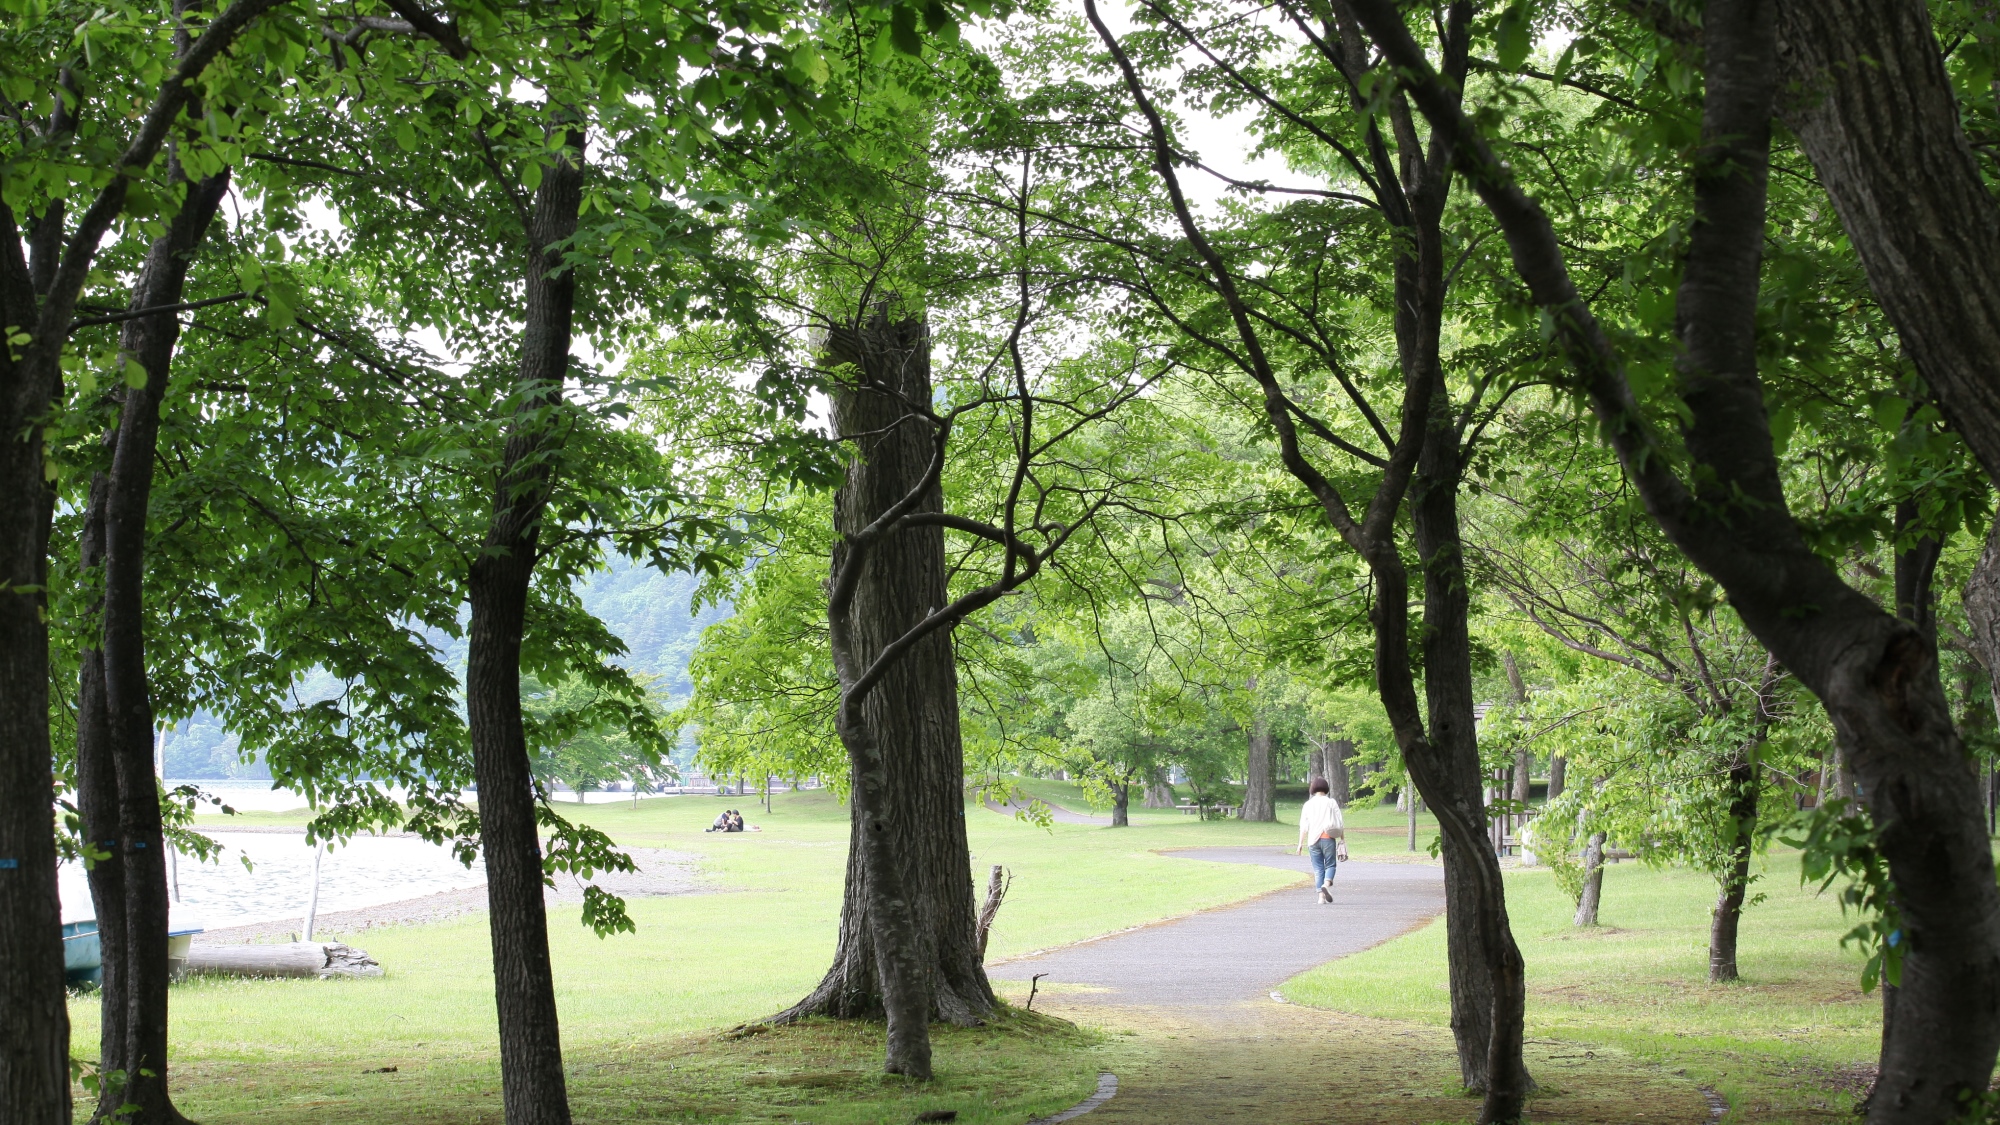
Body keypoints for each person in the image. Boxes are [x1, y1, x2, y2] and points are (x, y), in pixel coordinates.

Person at [1294, 777, 1345, 904]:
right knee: (1331, 865)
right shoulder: (1331, 802)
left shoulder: (1308, 804)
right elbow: (1339, 822)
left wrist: (1300, 843)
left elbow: (1304, 826)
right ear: (1326, 788)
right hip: (1328, 838)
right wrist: (1342, 839)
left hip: (1313, 841)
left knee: (1318, 869)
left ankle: (1321, 898)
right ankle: (1326, 885)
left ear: (1313, 788)